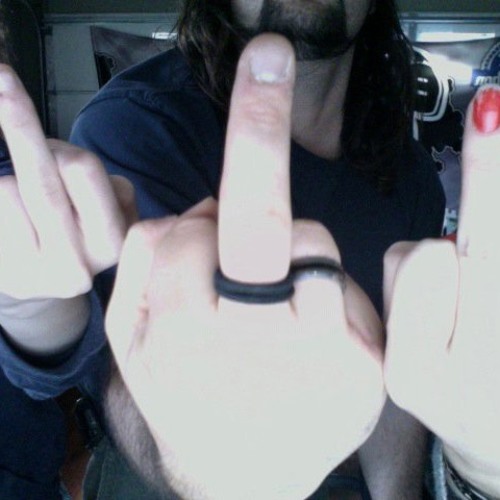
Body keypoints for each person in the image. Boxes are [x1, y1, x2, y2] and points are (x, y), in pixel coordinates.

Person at [0, 0, 455, 497]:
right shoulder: (138, 122)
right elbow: (122, 381)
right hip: (160, 468)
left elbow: (396, 379)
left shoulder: (412, 179)